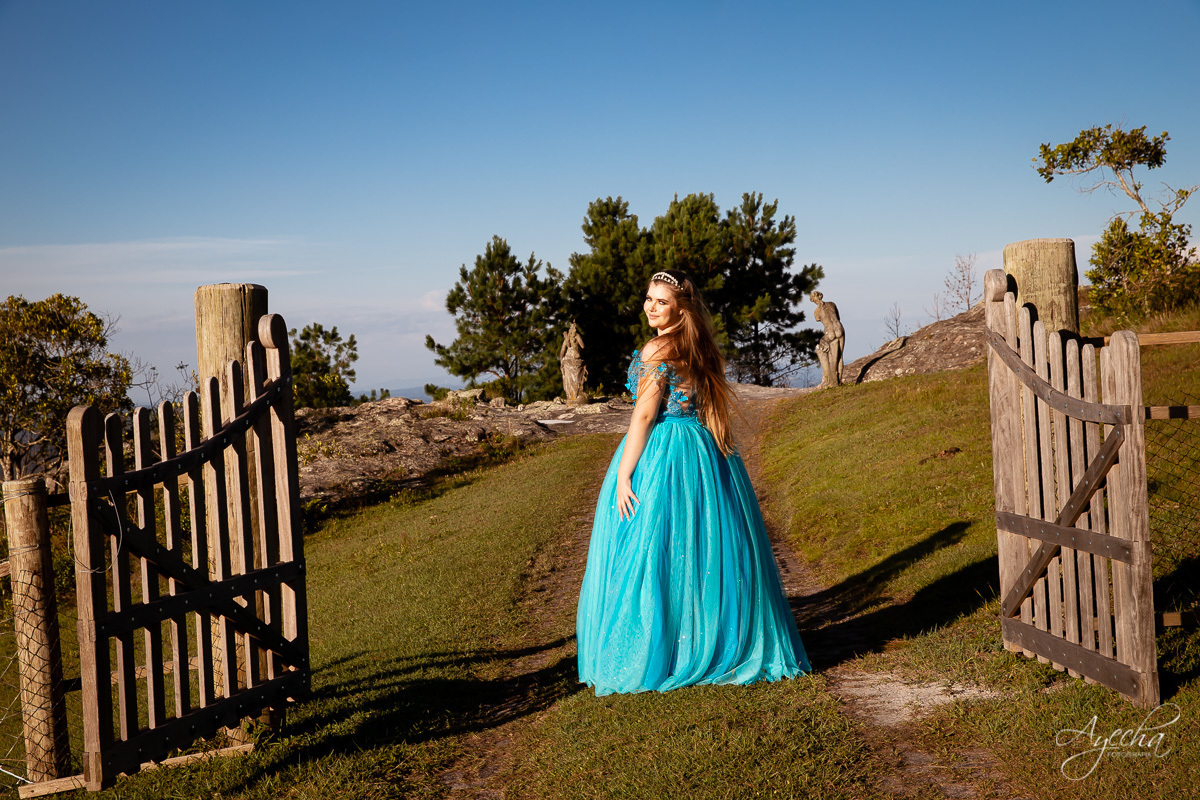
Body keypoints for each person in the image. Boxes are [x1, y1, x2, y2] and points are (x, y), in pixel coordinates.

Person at [576, 269, 810, 695]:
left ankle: (653, 652)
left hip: (664, 450)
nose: (650, 306)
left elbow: (645, 415)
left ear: (680, 308)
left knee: (651, 548)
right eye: (648, 298)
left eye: (660, 301)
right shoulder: (699, 346)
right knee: (700, 549)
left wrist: (625, 472)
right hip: (703, 450)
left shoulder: (656, 349)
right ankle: (705, 641)